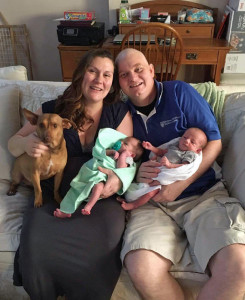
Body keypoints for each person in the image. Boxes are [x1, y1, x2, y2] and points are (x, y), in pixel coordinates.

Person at [114, 48, 245, 300]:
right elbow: (119, 160)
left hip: (203, 195)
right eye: (124, 74)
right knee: (141, 266)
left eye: (139, 69)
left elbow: (214, 142)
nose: (133, 77)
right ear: (119, 82)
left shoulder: (180, 92)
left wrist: (181, 183)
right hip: (152, 204)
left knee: (238, 268)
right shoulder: (121, 113)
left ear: (151, 70)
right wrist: (137, 171)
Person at [8, 49, 133, 300]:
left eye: (107, 74)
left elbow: (129, 158)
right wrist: (25, 145)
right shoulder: (52, 109)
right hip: (56, 191)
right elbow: (13, 143)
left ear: (113, 82)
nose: (99, 80)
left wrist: (117, 179)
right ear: (80, 75)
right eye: (93, 71)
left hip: (98, 195)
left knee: (103, 243)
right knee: (36, 241)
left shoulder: (119, 112)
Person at [54, 129, 143, 217]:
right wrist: (111, 151)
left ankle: (89, 206)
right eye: (122, 141)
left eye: (125, 143)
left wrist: (123, 156)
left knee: (98, 187)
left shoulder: (127, 161)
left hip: (103, 178)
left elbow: (120, 171)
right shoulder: (112, 150)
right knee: (74, 190)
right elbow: (101, 153)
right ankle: (66, 211)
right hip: (92, 173)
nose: (121, 142)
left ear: (132, 155)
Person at [118, 127, 207, 210]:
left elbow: (183, 166)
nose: (187, 141)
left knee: (150, 192)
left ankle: (133, 205)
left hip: (165, 176)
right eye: (184, 137)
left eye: (192, 142)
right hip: (157, 168)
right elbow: (161, 152)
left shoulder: (189, 154)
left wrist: (170, 165)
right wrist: (151, 148)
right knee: (138, 185)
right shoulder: (174, 146)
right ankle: (127, 197)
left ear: (198, 150)